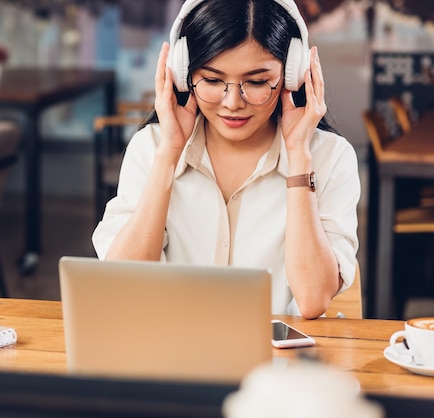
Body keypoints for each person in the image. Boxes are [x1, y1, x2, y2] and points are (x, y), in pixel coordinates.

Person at [92, 0, 360, 319]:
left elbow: (313, 299)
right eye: (213, 81)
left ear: (293, 75)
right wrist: (169, 153)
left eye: (257, 82)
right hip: (168, 359)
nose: (232, 103)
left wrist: (299, 158)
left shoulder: (329, 156)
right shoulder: (151, 148)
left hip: (276, 364)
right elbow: (125, 283)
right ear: (183, 74)